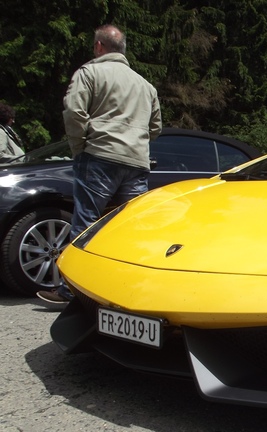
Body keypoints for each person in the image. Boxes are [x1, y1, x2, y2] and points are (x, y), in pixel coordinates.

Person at [37, 24, 162, 304]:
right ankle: (129, 290)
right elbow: (155, 128)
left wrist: (79, 147)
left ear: (98, 47)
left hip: (99, 157)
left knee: (86, 224)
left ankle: (73, 290)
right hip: (136, 162)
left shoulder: (89, 73)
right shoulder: (146, 86)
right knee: (131, 227)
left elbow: (73, 111)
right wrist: (134, 141)